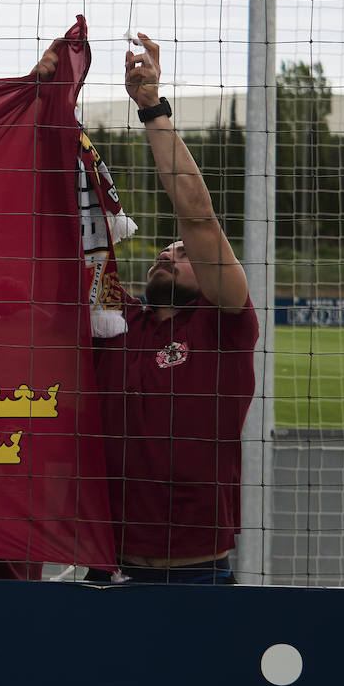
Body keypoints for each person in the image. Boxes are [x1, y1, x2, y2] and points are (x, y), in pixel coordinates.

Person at [83, 33, 260, 584]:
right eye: (164, 249)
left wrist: (152, 110)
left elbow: (198, 219)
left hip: (196, 574)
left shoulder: (223, 324)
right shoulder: (115, 320)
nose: (168, 251)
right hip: (105, 569)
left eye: (180, 254)